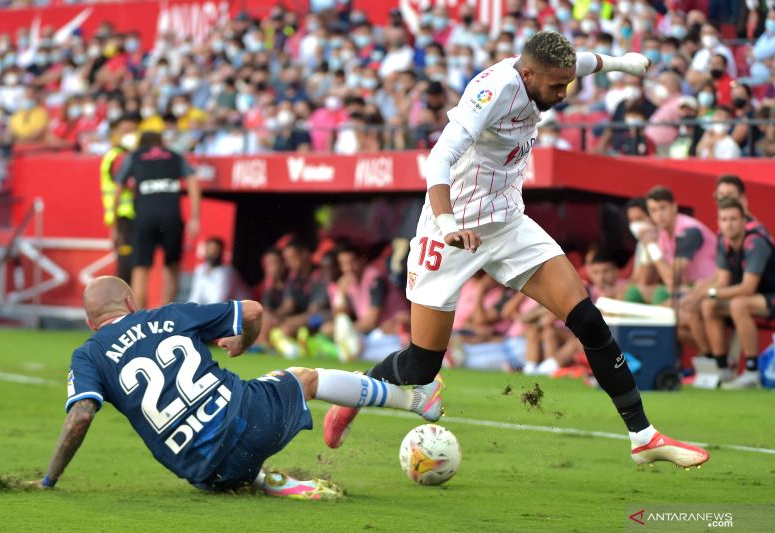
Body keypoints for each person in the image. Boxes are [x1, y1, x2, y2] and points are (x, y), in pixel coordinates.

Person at [324, 32, 710, 468]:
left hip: (507, 223)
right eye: (556, 86)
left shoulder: (547, 69)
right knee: (419, 369)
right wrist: (449, 224)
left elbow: (583, 62)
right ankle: (355, 392)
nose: (563, 93)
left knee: (589, 320)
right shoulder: (489, 93)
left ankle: (643, 437)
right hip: (451, 231)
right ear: (527, 73)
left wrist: (620, 63)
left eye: (567, 84)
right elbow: (438, 159)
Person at [34, 276, 444, 496]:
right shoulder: (170, 314)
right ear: (129, 304)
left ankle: (260, 480)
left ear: (91, 324)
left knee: (221, 457)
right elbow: (252, 310)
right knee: (304, 378)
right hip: (254, 422)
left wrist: (49, 480)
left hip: (201, 473)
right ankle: (413, 399)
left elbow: (80, 416)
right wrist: (242, 344)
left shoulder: (87, 355)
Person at [681, 198, 775, 389]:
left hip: (768, 295)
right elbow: (723, 282)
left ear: (743, 221)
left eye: (733, 219)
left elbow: (748, 288)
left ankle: (751, 371)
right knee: (709, 305)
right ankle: (722, 369)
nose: (728, 224)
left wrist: (707, 291)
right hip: (754, 298)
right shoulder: (723, 242)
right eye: (724, 219)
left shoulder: (755, 242)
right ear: (719, 222)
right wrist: (700, 294)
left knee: (738, 303)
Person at [114, 131, 201, 308]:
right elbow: (193, 181)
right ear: (160, 142)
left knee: (140, 270)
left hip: (144, 217)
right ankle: (168, 318)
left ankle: (140, 320)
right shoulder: (175, 156)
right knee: (172, 268)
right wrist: (194, 217)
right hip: (171, 217)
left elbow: (117, 189)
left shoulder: (134, 157)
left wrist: (115, 225)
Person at [101, 113, 139, 284]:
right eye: (126, 131)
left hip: (123, 217)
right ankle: (124, 308)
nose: (130, 135)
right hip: (124, 216)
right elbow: (127, 187)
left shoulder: (117, 155)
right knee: (126, 263)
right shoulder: (119, 157)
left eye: (133, 130)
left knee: (128, 262)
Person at [187, 237, 242, 305]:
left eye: (215, 250)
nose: (212, 253)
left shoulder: (227, 273)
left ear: (221, 251)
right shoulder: (200, 269)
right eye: (209, 249)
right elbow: (195, 297)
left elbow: (219, 301)